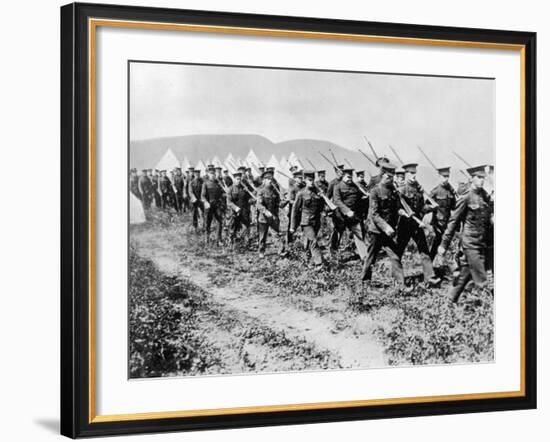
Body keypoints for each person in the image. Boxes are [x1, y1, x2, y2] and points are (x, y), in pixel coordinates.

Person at [437, 165, 493, 303]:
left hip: (482, 242)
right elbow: (453, 222)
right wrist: (444, 244)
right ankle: (489, 312)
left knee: (464, 274)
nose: (481, 181)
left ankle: (449, 302)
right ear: (471, 178)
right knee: (482, 280)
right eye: (478, 178)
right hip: (470, 243)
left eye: (483, 178)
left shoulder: (485, 196)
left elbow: (489, 217)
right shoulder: (466, 198)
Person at [360, 163, 406, 285]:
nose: (390, 179)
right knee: (371, 257)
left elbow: (396, 208)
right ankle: (364, 283)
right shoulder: (375, 191)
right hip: (376, 230)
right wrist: (386, 227)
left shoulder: (393, 192)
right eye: (388, 177)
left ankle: (401, 284)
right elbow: (374, 214)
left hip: (388, 232)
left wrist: (400, 211)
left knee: (395, 256)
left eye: (392, 177)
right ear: (383, 175)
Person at [395, 162, 440, 285]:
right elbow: (398, 209)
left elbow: (421, 208)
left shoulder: (419, 189)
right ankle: (397, 280)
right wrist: (408, 215)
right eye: (410, 173)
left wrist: (431, 207)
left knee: (424, 250)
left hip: (417, 225)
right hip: (405, 224)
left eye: (414, 173)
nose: (413, 175)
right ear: (406, 174)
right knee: (398, 251)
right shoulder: (401, 189)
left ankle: (430, 277)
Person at [290, 170, 325, 268]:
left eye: (313, 180)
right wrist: (292, 226)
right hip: (306, 222)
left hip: (316, 221)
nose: (312, 182)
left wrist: (322, 197)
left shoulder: (317, 192)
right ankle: (319, 263)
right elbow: (295, 210)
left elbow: (321, 207)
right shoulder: (301, 193)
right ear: (305, 180)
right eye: (309, 180)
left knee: (310, 242)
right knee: (313, 241)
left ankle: (308, 261)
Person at [332, 168, 368, 259]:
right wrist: (347, 211)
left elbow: (359, 198)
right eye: (348, 177)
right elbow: (337, 201)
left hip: (353, 216)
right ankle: (333, 254)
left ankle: (364, 256)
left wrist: (366, 197)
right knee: (338, 235)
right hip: (341, 215)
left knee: (359, 234)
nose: (350, 179)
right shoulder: (337, 187)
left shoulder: (355, 186)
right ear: (343, 176)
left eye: (351, 177)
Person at [256, 169, 286, 258]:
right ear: (264, 180)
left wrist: (284, 202)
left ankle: (281, 251)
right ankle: (261, 251)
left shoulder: (275, 191)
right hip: (263, 218)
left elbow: (278, 204)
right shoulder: (261, 191)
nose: (270, 181)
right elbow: (258, 204)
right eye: (268, 179)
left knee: (276, 234)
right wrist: (265, 211)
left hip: (273, 217)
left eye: (271, 179)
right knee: (262, 236)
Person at [428, 166, 457, 259]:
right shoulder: (435, 191)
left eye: (448, 176)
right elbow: (425, 207)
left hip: (447, 221)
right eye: (444, 176)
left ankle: (436, 262)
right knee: (440, 242)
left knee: (444, 242)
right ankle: (432, 263)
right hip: (438, 222)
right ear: (439, 177)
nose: (446, 179)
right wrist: (431, 207)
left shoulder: (451, 190)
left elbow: (454, 206)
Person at [226, 171, 252, 244]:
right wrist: (235, 208)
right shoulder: (230, 189)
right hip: (234, 211)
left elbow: (250, 198)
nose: (239, 181)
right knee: (233, 227)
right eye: (237, 179)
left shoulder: (244, 188)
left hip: (244, 210)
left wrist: (250, 199)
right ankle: (231, 243)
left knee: (246, 226)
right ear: (234, 179)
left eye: (240, 179)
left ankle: (246, 243)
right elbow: (229, 202)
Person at [201, 166, 226, 244]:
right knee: (207, 222)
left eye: (214, 173)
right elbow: (202, 196)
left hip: (217, 206)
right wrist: (205, 202)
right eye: (211, 173)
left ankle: (218, 239)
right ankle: (206, 238)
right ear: (208, 174)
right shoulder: (205, 184)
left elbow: (222, 193)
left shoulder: (218, 184)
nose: (213, 175)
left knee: (220, 222)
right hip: (208, 206)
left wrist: (224, 196)